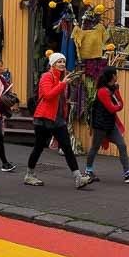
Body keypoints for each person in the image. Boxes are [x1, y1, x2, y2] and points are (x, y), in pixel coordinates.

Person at [25, 53, 90, 189]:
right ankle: (29, 174)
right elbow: (48, 95)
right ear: (52, 64)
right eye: (59, 62)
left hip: (57, 118)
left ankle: (78, 177)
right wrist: (63, 84)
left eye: (63, 61)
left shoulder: (63, 77)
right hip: (44, 117)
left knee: (67, 147)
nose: (62, 64)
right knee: (39, 147)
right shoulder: (46, 76)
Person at [85, 67, 129, 184]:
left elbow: (120, 103)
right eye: (116, 74)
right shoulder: (103, 91)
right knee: (95, 147)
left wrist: (117, 92)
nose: (117, 76)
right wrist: (118, 106)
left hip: (110, 124)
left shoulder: (111, 89)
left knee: (122, 145)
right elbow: (113, 108)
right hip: (101, 124)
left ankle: (127, 173)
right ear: (113, 76)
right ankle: (88, 171)